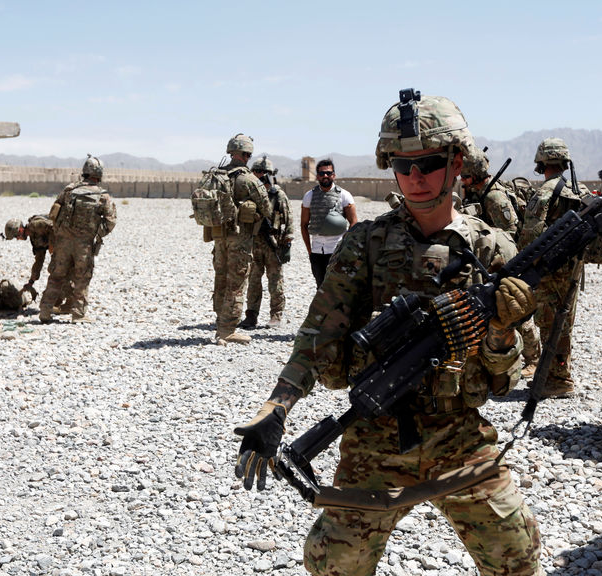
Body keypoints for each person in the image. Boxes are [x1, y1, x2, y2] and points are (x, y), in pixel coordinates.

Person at [234, 91, 544, 576]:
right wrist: (277, 407)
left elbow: (514, 371)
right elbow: (319, 334)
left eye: (427, 164)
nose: (415, 178)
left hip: (459, 434)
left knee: (518, 558)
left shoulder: (490, 247)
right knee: (333, 562)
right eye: (403, 166)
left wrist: (502, 334)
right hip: (376, 436)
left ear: (457, 161)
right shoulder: (368, 243)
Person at [517, 138, 592, 398]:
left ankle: (560, 380)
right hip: (573, 268)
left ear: (541, 163)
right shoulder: (580, 190)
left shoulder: (545, 192)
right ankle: (552, 374)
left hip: (550, 271)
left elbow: (530, 236)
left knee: (550, 323)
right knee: (563, 321)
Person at [461, 145, 541, 379]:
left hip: (503, 259)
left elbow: (510, 231)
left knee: (512, 308)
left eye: (465, 176)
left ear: (475, 174)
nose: (462, 180)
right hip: (485, 259)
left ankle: (533, 358)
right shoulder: (476, 193)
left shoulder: (494, 197)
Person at [38, 155, 116, 324]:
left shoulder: (68, 190)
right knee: (82, 277)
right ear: (99, 174)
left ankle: (45, 311)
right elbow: (110, 222)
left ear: (85, 172)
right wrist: (95, 233)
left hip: (63, 243)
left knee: (56, 276)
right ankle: (78, 315)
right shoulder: (103, 196)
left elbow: (54, 214)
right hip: (84, 245)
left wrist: (61, 233)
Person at [210, 134, 272, 345]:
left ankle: (220, 322)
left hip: (219, 237)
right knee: (236, 282)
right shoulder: (249, 180)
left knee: (221, 279)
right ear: (246, 155)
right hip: (240, 239)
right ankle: (227, 330)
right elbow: (267, 208)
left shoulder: (215, 176)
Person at [241, 156, 293, 328]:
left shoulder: (278, 195)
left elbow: (288, 221)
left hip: (273, 244)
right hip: (254, 244)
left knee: (275, 282)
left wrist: (286, 243)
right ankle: (251, 315)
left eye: (264, 173)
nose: (260, 175)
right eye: (256, 172)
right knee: (254, 281)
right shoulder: (249, 194)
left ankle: (276, 315)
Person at [300, 159, 358, 287]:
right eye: (321, 173)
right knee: (320, 285)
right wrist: (310, 251)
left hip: (337, 250)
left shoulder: (344, 195)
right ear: (317, 176)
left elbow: (353, 222)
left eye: (328, 173)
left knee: (339, 287)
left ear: (334, 175)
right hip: (316, 251)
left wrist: (345, 246)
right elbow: (303, 225)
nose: (325, 176)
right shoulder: (309, 196)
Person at [4, 215, 74, 313]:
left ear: (19, 230)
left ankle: (72, 302)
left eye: (16, 237)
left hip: (67, 245)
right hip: (60, 250)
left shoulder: (35, 225)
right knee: (56, 271)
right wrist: (31, 281)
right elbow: (39, 260)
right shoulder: (34, 239)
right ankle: (61, 302)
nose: (18, 239)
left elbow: (54, 227)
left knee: (57, 271)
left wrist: (52, 245)